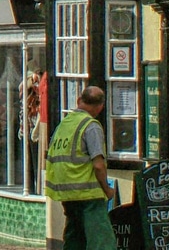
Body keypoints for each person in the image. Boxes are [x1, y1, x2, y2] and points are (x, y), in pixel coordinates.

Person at [45, 85, 117, 250]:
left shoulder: (64, 125)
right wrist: (107, 190)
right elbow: (98, 165)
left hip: (65, 192)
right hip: (88, 193)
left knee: (75, 236)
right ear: (100, 107)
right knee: (101, 239)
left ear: (79, 100)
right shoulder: (91, 126)